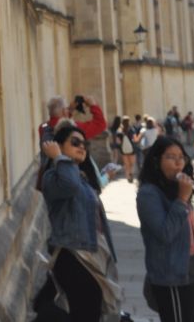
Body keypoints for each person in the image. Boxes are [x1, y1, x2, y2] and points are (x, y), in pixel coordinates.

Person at [38, 126, 123, 319]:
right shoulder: (53, 177)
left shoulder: (80, 178)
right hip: (73, 256)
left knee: (92, 311)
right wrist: (58, 157)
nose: (82, 147)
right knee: (85, 312)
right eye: (75, 142)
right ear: (58, 146)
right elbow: (68, 186)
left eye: (84, 144)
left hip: (92, 254)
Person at [137, 137, 194, 322]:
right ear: (157, 162)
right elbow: (165, 234)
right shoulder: (149, 193)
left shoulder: (177, 189)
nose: (179, 162)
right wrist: (181, 199)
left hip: (192, 270)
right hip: (171, 274)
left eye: (182, 157)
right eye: (171, 157)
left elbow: (193, 235)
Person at [118, 116, 138, 183]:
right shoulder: (132, 129)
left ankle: (128, 177)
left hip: (123, 150)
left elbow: (118, 141)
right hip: (132, 149)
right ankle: (131, 173)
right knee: (132, 163)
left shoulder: (120, 130)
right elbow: (135, 139)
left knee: (126, 164)